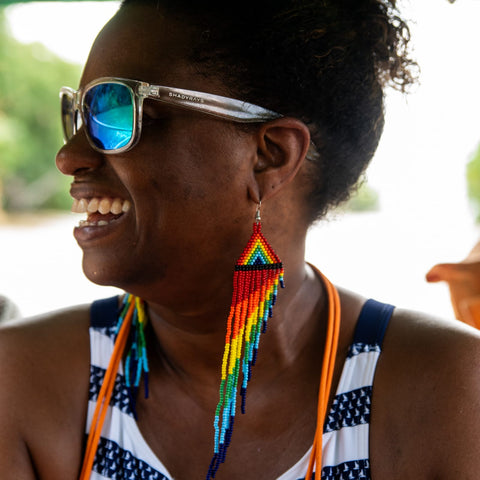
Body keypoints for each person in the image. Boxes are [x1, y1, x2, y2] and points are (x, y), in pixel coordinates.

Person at [1, 1, 479, 479]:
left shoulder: (448, 394)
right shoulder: (20, 382)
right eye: (80, 113)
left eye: (116, 108)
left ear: (269, 156)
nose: (69, 156)